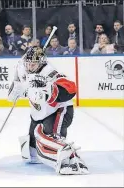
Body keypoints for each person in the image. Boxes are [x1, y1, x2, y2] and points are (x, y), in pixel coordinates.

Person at [8, 46, 89, 175]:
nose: (30, 66)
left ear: (41, 62)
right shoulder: (21, 66)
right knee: (32, 151)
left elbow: (71, 88)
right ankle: (59, 152)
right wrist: (16, 90)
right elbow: (18, 85)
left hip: (58, 111)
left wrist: (49, 87)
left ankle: (73, 160)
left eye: (33, 64)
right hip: (38, 112)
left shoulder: (49, 72)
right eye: (28, 63)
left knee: (48, 139)